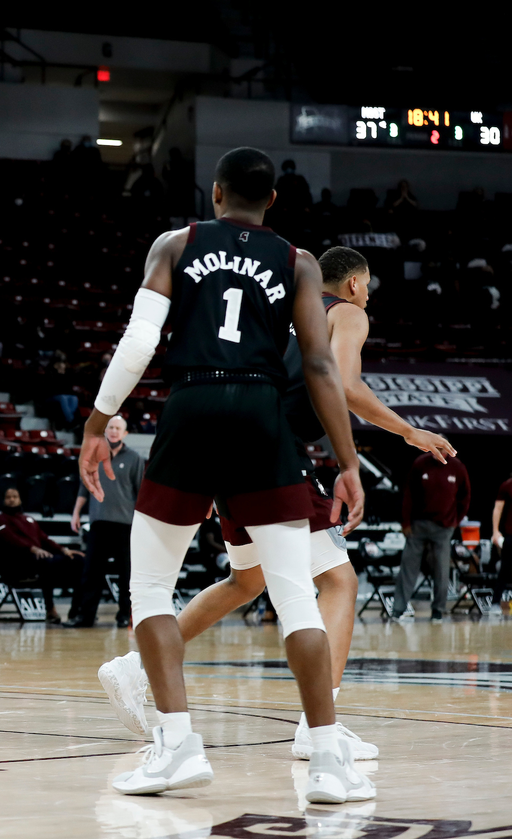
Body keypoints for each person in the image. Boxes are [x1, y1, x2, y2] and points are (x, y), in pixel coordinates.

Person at [78, 147, 372, 803]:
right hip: (264, 417)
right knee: (296, 592)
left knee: (152, 586)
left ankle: (177, 744)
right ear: (272, 201)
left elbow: (140, 340)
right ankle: (326, 759)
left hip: (193, 404)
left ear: (215, 195)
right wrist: (347, 461)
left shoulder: (175, 244)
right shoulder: (298, 261)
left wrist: (99, 421)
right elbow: (323, 369)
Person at [98, 245, 455, 759]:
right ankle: (319, 725)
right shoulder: (347, 314)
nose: (368, 294)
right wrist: (408, 432)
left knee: (247, 579)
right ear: (354, 284)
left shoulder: (287, 308)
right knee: (338, 580)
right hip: (274, 453)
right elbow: (346, 386)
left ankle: (137, 666)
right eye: (368, 284)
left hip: (227, 441)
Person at [69, 415, 143, 627]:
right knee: (91, 572)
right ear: (106, 430)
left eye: (118, 428)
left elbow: (140, 492)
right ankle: (86, 616)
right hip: (99, 523)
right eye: (110, 427)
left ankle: (124, 615)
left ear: (125, 433)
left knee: (126, 574)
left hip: (125, 525)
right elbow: (85, 486)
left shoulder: (135, 458)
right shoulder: (94, 454)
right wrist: (76, 512)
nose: (113, 431)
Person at [0, 487, 85, 623]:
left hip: (38, 560)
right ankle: (50, 609)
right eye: (8, 497)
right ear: (3, 500)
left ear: (20, 499)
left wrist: (64, 550)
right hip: (17, 562)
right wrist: (33, 549)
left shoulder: (29, 519)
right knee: (46, 562)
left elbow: (44, 539)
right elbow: (9, 538)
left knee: (78, 560)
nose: (11, 499)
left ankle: (77, 611)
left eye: (15, 496)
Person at [393, 452, 470, 622]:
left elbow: (465, 496)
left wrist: (455, 521)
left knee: (442, 569)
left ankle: (438, 610)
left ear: (447, 450)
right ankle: (398, 609)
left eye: (441, 448)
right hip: (419, 525)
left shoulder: (457, 467)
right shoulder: (420, 463)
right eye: (434, 448)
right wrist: (405, 523)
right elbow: (409, 494)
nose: (437, 452)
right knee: (408, 566)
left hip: (443, 528)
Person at [492, 473, 512, 614]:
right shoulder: (507, 485)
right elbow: (498, 509)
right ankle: (495, 602)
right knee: (505, 569)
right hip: (511, 534)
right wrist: (495, 531)